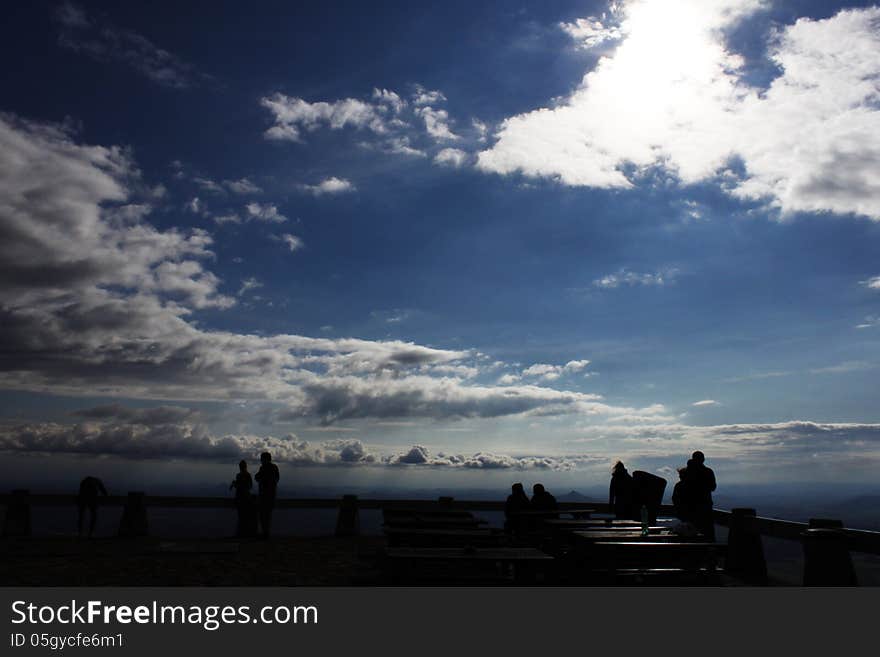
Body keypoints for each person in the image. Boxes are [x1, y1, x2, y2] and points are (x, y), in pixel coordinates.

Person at [687, 451, 716, 541]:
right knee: (707, 533)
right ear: (703, 459)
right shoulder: (708, 472)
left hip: (689, 508)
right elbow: (713, 487)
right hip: (705, 507)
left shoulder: (687, 472)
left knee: (690, 534)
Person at [254, 451, 280, 538]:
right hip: (271, 495)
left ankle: (265, 533)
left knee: (263, 515)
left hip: (264, 496)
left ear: (265, 459)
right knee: (267, 515)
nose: (261, 461)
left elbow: (257, 477)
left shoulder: (264, 468)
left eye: (262, 459)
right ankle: (266, 533)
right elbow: (276, 479)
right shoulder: (274, 467)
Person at [230, 460, 256, 537]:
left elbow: (242, 487)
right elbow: (250, 486)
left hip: (240, 498)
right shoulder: (247, 475)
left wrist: (236, 485)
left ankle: (241, 533)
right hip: (246, 498)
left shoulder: (240, 475)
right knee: (244, 517)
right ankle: (245, 533)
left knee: (241, 517)